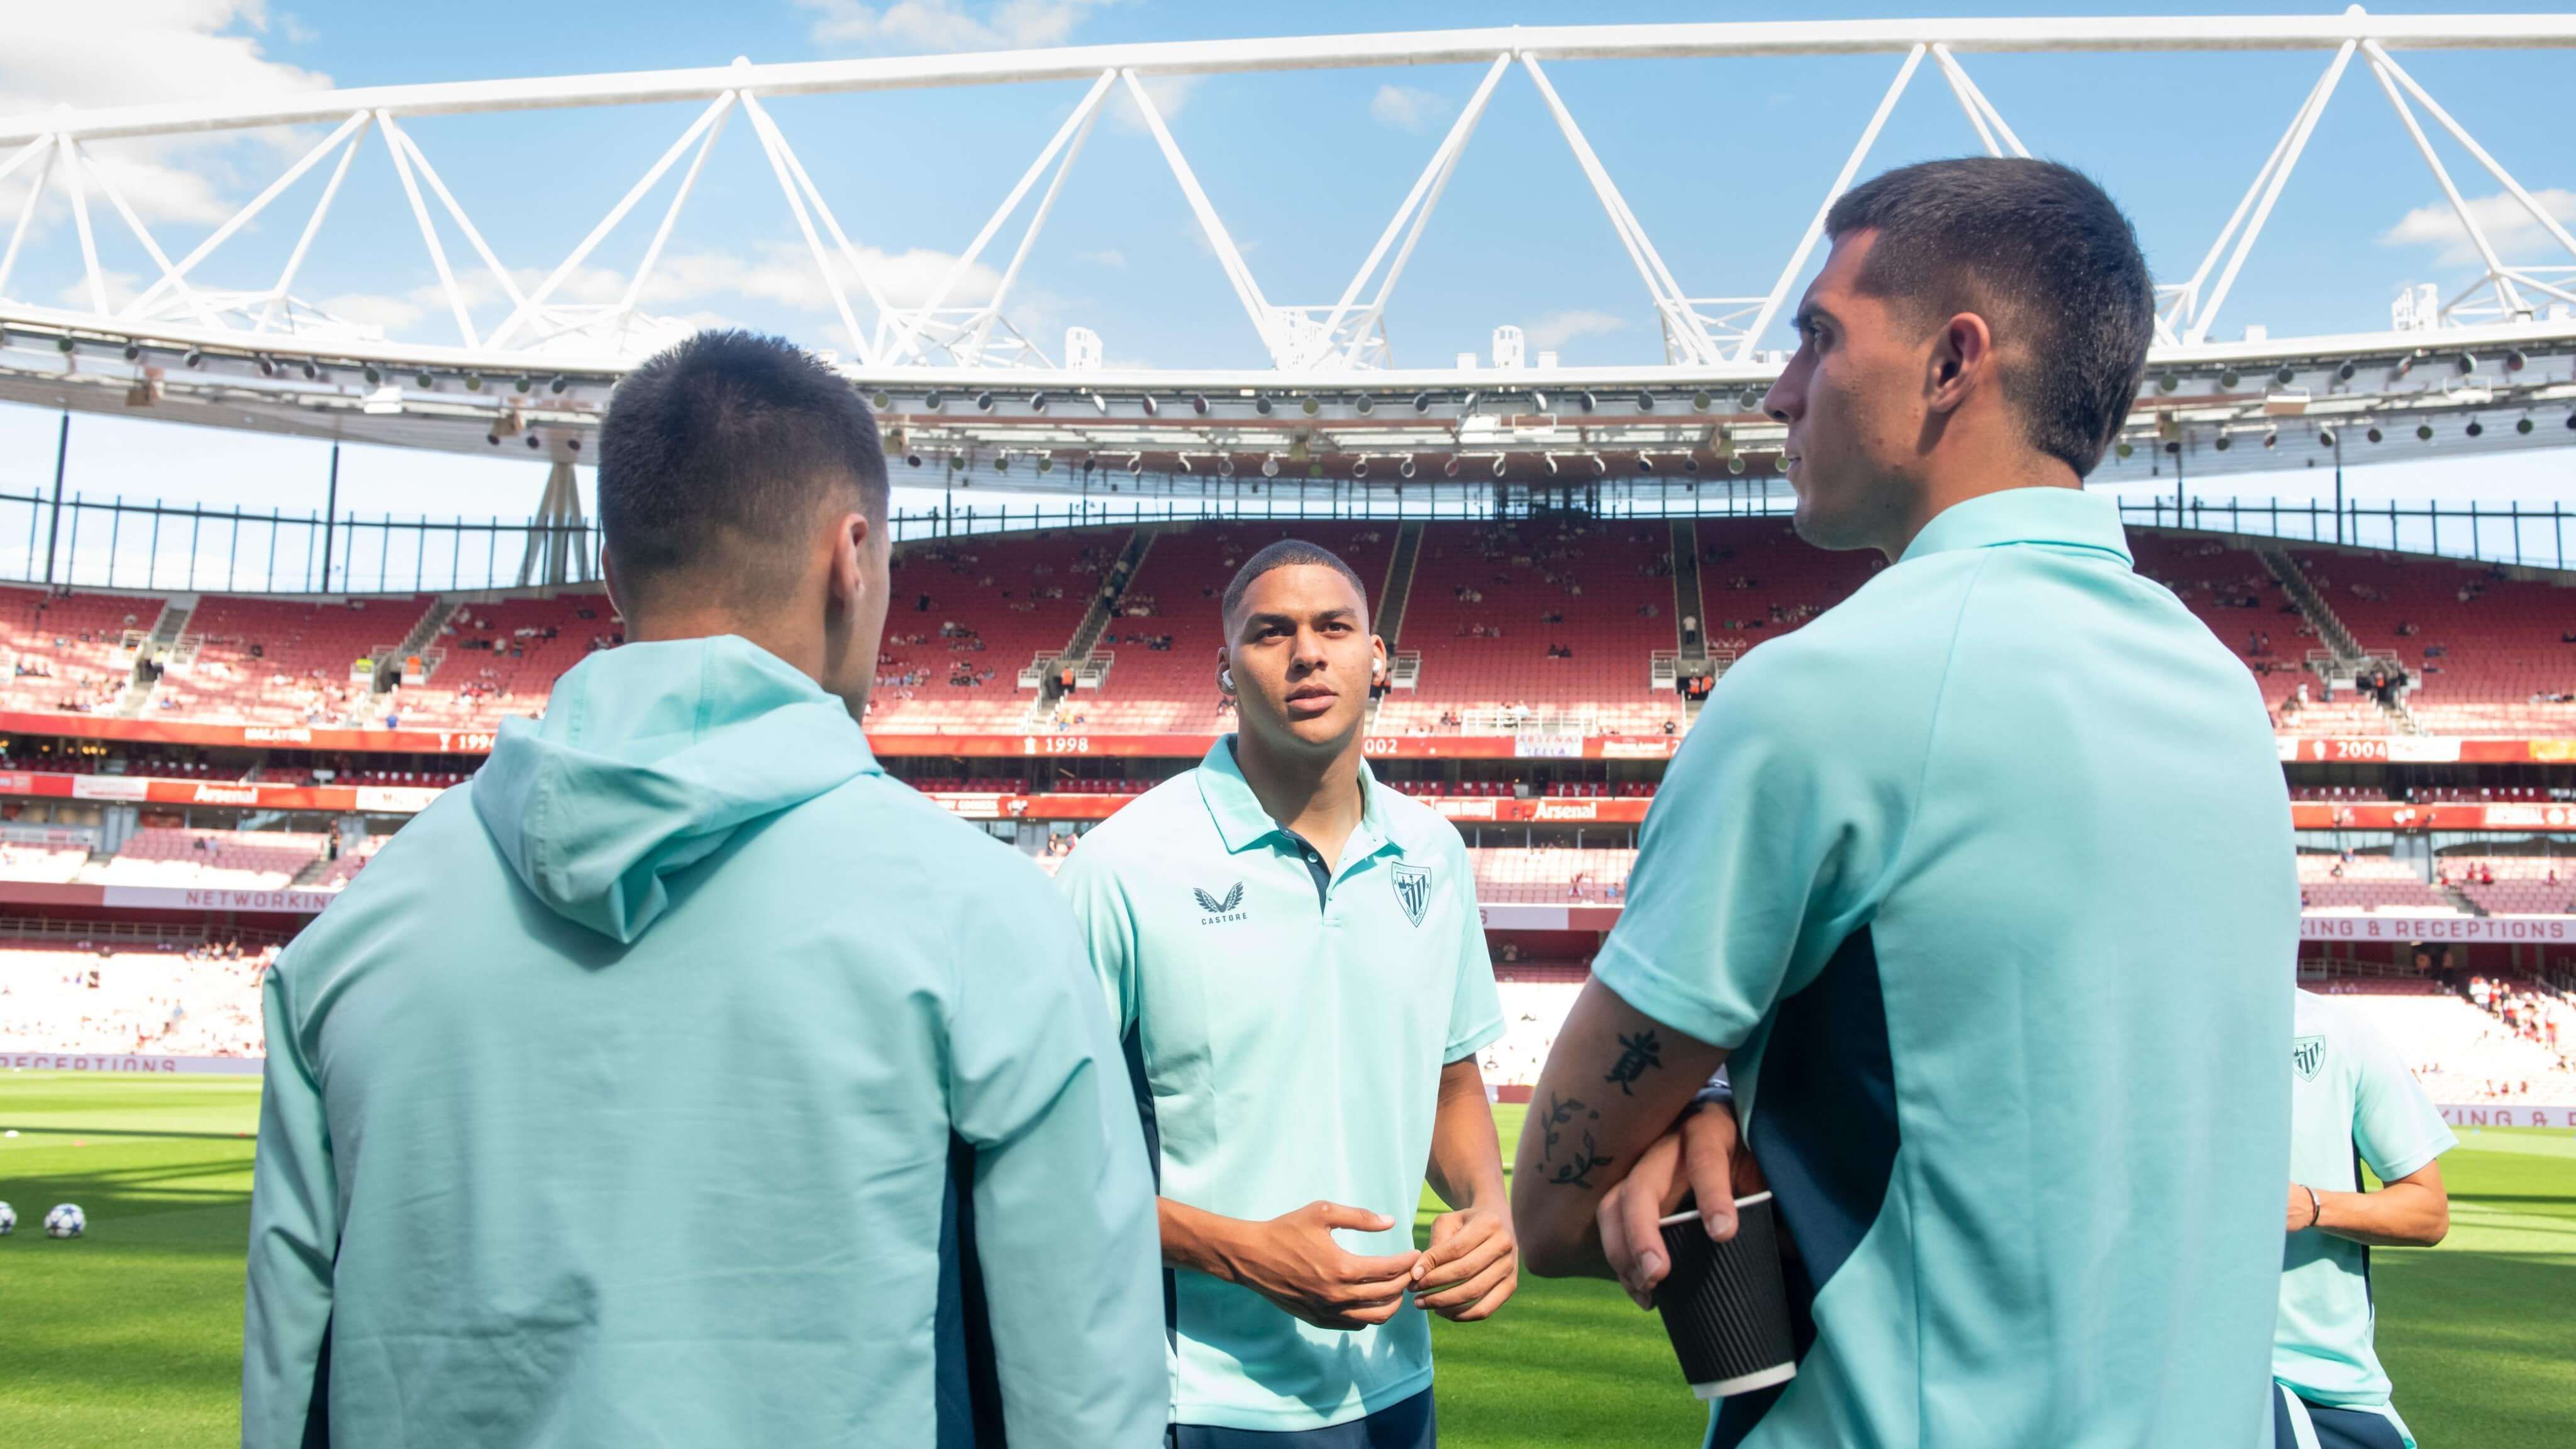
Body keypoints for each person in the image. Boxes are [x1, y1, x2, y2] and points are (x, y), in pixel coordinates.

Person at [242, 331, 1164, 1448]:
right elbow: (1084, 1392)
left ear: (616, 570)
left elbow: (294, 1385)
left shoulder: (350, 941)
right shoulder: (988, 919)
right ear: (852, 558)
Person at [1512, 158, 2297, 1445]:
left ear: (1952, 361)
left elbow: (1550, 1203)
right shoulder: (2221, 696)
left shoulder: (1819, 696)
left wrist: (1686, 1121)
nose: (1777, 391)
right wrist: (1709, 1112)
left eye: (1817, 338)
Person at [1058, 539, 1514, 1446]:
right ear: (1225, 669)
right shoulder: (1122, 865)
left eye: (1333, 628)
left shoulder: (1434, 853)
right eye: (1271, 633)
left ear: (1378, 659)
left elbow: (1449, 1077)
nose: (1307, 652)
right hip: (1199, 1397)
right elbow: (1042, 1158)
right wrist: (1242, 1250)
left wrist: (1487, 1206)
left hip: (1395, 1384)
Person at [2275, 989, 2453, 1448]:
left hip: (2323, 1389)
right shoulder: (2122, 1022)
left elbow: (2427, 1211)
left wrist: (2311, 1206)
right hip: (2163, 1374)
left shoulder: (2336, 1029)